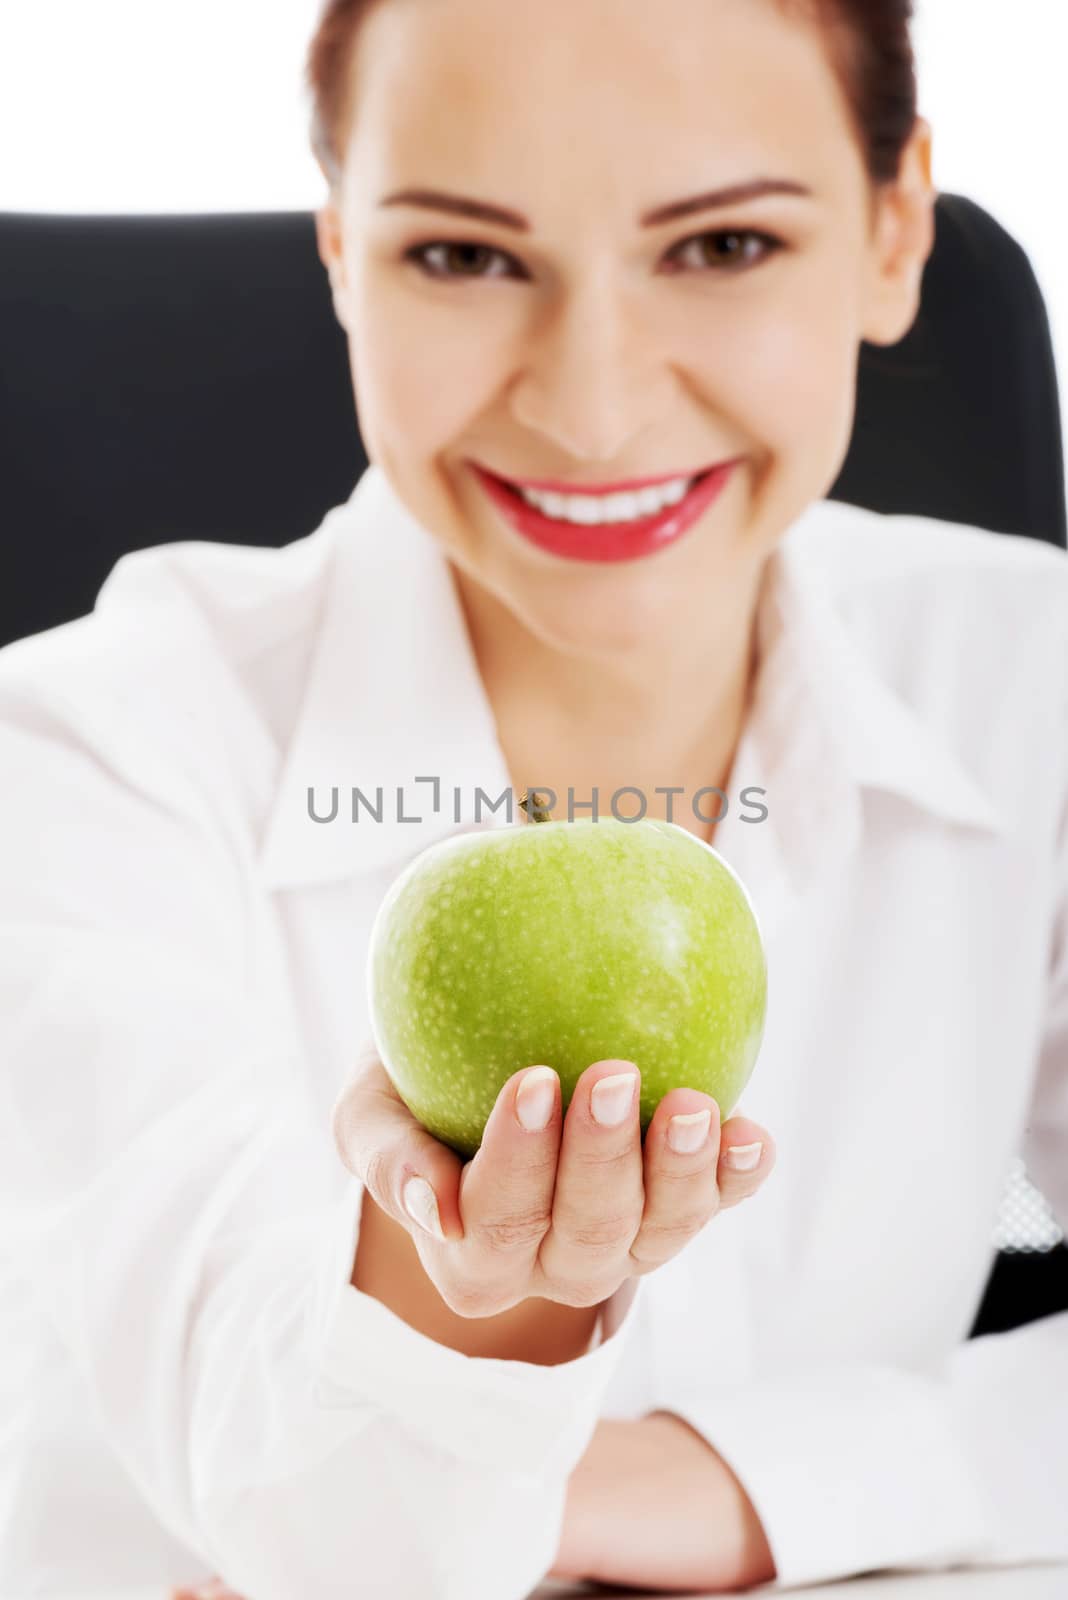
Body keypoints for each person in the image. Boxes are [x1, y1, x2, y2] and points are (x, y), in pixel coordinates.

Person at [1, 0, 1066, 1596]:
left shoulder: (1026, 673)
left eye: (718, 248)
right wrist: (471, 1312)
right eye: (465, 257)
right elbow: (297, 1526)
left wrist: (722, 1485)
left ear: (894, 230)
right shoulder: (81, 750)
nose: (594, 406)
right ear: (344, 251)